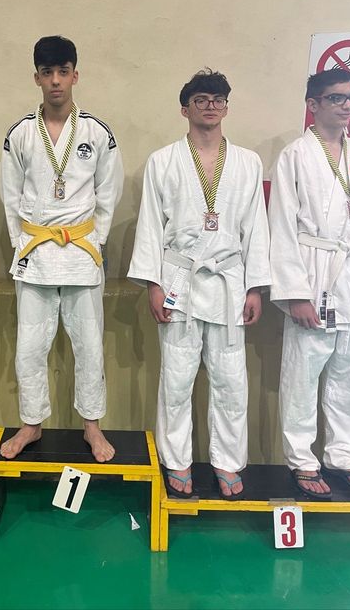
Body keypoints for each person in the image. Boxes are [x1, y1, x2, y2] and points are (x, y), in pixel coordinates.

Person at [128, 68, 270, 499]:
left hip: (229, 281)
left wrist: (255, 286)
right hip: (179, 278)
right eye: (201, 99)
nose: (210, 106)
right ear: (185, 109)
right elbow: (151, 225)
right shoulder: (163, 160)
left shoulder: (247, 161)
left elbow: (256, 228)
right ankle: (177, 460)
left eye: (218, 99)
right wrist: (153, 284)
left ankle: (227, 461)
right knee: (176, 379)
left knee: (231, 380)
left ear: (226, 107)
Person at [0, 36, 123, 462]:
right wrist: (21, 243)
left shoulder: (97, 133)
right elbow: (10, 196)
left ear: (75, 75)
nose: (55, 81)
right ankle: (31, 423)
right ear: (36, 78)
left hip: (81, 251)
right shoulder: (19, 134)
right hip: (35, 250)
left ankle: (92, 426)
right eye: (47, 73)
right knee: (30, 346)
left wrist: (95, 241)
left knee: (89, 345)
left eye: (63, 72)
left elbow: (108, 194)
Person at [269, 68, 350, 499]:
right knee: (303, 373)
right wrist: (295, 294)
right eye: (336, 98)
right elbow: (281, 226)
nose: (347, 105)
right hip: (314, 276)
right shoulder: (295, 155)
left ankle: (346, 456)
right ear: (313, 104)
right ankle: (302, 459)